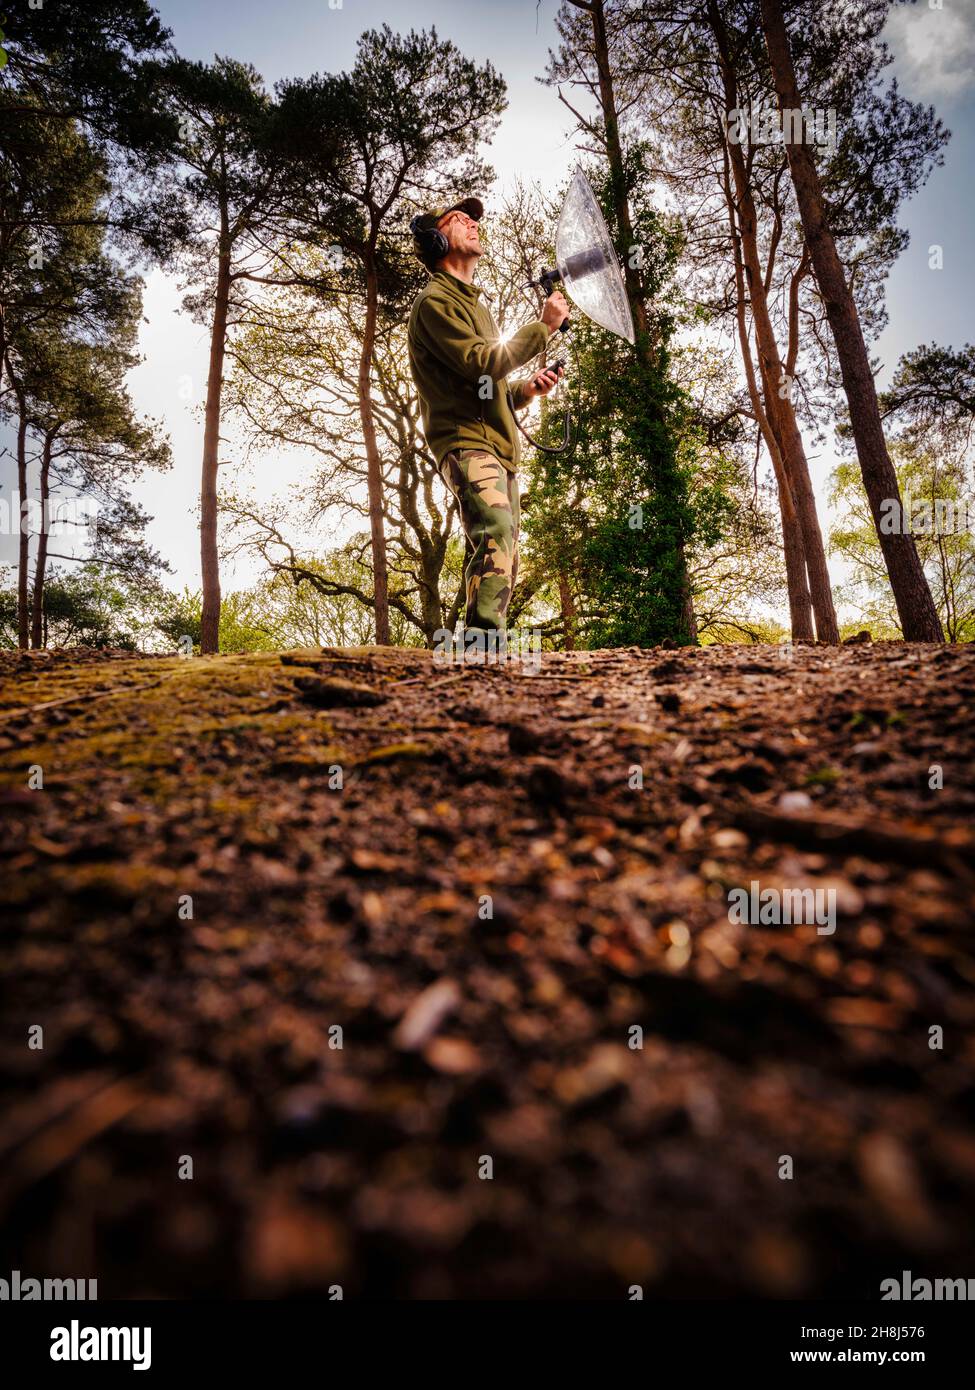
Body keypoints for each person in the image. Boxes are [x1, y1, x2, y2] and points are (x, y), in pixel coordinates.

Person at [406, 197, 569, 656]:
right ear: (437, 240)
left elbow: (487, 387)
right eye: (460, 220)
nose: (473, 224)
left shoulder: (475, 307)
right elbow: (482, 364)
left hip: (499, 445)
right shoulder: (433, 302)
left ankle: (483, 650)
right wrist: (543, 328)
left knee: (506, 550)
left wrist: (526, 391)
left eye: (475, 219)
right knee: (494, 529)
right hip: (465, 442)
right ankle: (481, 649)